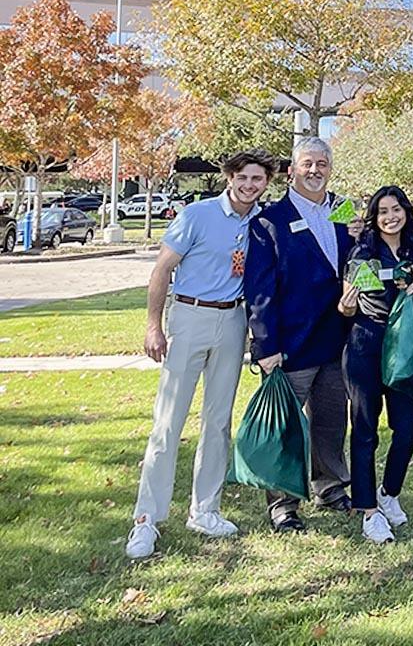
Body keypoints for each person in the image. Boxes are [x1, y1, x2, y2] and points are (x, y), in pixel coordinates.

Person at [126, 150, 276, 559]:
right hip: (190, 318)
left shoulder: (262, 222)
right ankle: (146, 519)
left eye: (258, 179)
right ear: (230, 177)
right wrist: (154, 325)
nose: (249, 185)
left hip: (233, 323)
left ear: (266, 183)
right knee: (168, 423)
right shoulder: (197, 215)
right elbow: (161, 271)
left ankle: (205, 509)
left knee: (217, 421)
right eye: (243, 177)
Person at [245, 137, 354, 532]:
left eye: (322, 163)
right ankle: (283, 504)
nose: (315, 170)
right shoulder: (269, 221)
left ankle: (330, 485)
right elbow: (259, 289)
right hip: (289, 344)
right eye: (307, 163)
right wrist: (265, 345)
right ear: (292, 170)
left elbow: (355, 263)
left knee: (330, 421)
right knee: (287, 427)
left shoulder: (345, 211)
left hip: (336, 337)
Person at [337, 186, 413, 544]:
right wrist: (346, 305)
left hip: (403, 345)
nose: (391, 217)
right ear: (374, 217)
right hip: (366, 343)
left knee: (407, 428)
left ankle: (388, 493)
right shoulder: (364, 250)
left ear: (406, 211)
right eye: (383, 211)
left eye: (396, 209)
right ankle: (368, 512)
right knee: (365, 430)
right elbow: (346, 308)